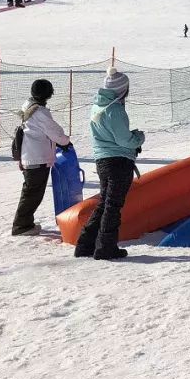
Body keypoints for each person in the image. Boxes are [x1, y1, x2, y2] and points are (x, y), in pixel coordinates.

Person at [74, 67, 144, 259]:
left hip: (103, 160)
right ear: (123, 90)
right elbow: (123, 139)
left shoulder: (98, 106)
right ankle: (106, 247)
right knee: (113, 205)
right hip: (118, 161)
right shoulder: (114, 110)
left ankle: (85, 244)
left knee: (104, 203)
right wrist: (138, 138)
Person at [11, 79, 71, 235]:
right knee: (32, 193)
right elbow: (54, 132)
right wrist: (65, 142)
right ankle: (21, 226)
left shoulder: (28, 106)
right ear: (48, 94)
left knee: (31, 192)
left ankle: (25, 223)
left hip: (30, 155)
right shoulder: (40, 112)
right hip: (37, 158)